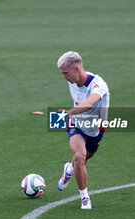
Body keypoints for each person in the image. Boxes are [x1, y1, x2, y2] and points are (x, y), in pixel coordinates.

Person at [56, 51, 110, 209]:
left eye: (66, 73)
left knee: (85, 159)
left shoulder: (99, 85)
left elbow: (89, 104)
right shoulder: (71, 80)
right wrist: (70, 116)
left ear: (77, 69)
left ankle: (69, 169)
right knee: (80, 156)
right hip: (77, 123)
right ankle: (85, 198)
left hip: (96, 128)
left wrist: (67, 112)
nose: (64, 77)